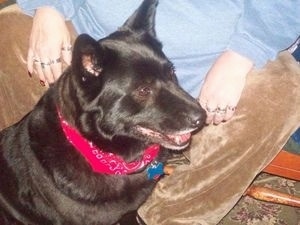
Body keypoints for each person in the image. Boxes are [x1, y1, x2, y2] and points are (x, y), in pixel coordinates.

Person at [2, 0, 300, 224]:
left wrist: (244, 54)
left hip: (216, 61)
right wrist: (48, 7)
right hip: (89, 36)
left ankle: (166, 216)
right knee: (8, 29)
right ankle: (23, 173)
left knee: (284, 91)